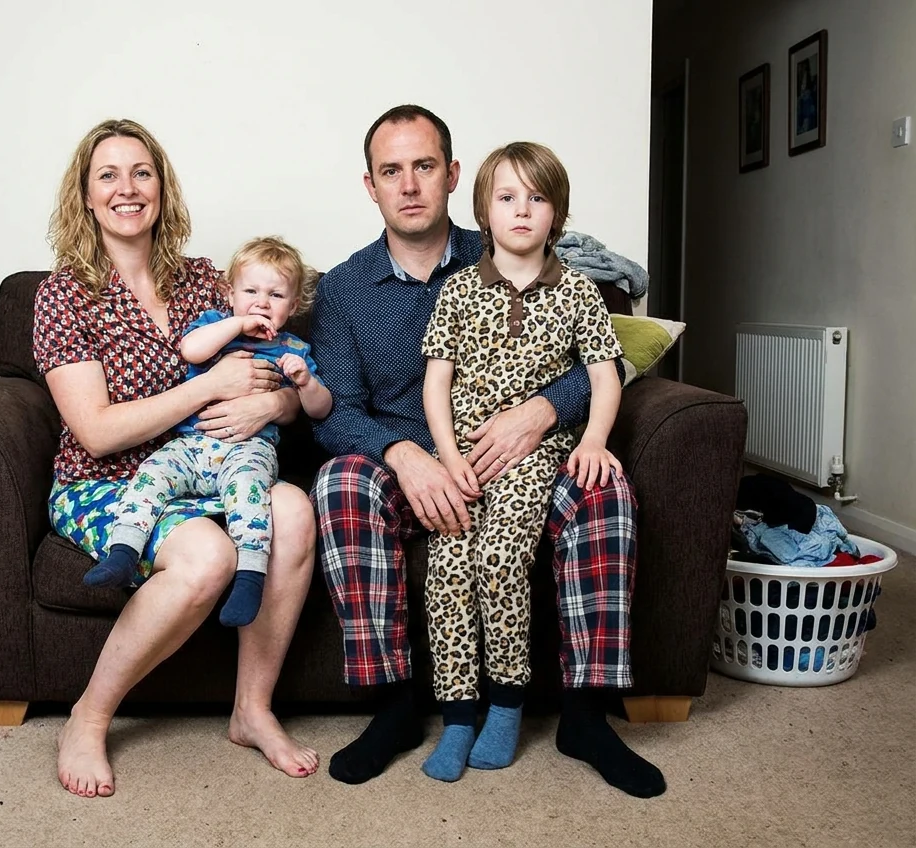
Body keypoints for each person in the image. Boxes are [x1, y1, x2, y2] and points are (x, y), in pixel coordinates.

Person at [309, 104, 665, 798]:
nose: (409, 184)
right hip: (412, 469)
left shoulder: (507, 243)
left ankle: (585, 716)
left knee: (604, 490)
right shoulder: (345, 289)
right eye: (391, 171)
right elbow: (338, 415)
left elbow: (600, 356)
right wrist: (410, 458)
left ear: (452, 175)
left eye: (423, 166)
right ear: (370, 185)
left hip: (523, 461)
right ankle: (395, 708)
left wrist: (540, 412)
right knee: (339, 483)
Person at [33, 118, 319, 798]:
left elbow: (266, 368)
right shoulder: (64, 295)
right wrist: (207, 388)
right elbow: (97, 432)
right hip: (103, 481)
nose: (127, 188)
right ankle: (88, 716)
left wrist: (275, 406)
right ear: (85, 195)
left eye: (142, 173)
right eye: (108, 175)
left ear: (161, 188)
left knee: (295, 510)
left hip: (213, 466)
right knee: (208, 557)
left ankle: (252, 710)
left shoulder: (201, 281)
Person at [418, 141, 624, 782]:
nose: (522, 211)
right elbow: (435, 383)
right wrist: (449, 459)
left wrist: (591, 441)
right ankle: (458, 716)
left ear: (556, 212)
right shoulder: (456, 291)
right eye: (507, 197)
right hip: (465, 454)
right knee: (448, 564)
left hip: (535, 456)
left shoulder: (579, 294)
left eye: (537, 198)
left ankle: (506, 705)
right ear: (483, 210)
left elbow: (605, 375)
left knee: (500, 557)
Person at [86, 236, 333, 628]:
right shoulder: (215, 327)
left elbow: (319, 409)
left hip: (248, 449)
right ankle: (124, 549)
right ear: (229, 293)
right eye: (250, 291)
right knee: (151, 473)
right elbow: (191, 351)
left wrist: (304, 383)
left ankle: (251, 575)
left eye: (276, 295)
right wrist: (237, 323)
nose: (262, 303)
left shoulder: (294, 349)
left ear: (294, 305)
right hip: (191, 445)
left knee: (251, 493)